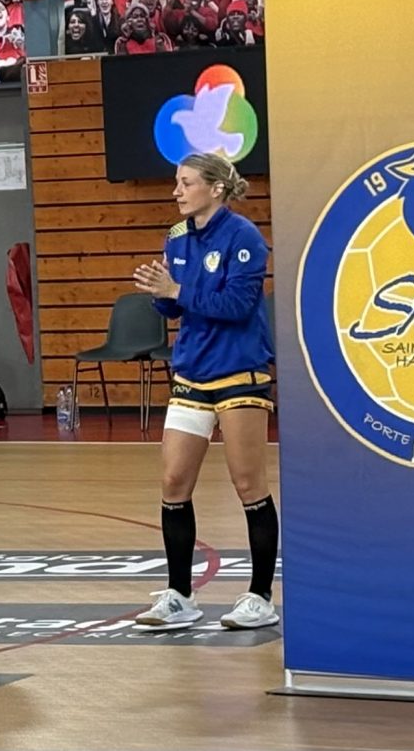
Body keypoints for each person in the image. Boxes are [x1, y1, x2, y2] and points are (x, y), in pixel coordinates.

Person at [130, 153, 280, 631]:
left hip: (239, 372)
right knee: (174, 482)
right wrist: (161, 292)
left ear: (215, 189)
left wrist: (177, 289)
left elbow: (237, 306)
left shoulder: (245, 238)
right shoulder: (175, 238)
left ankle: (260, 596)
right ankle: (179, 596)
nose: (176, 191)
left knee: (247, 483)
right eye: (176, 182)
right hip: (192, 373)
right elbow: (175, 308)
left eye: (186, 182)